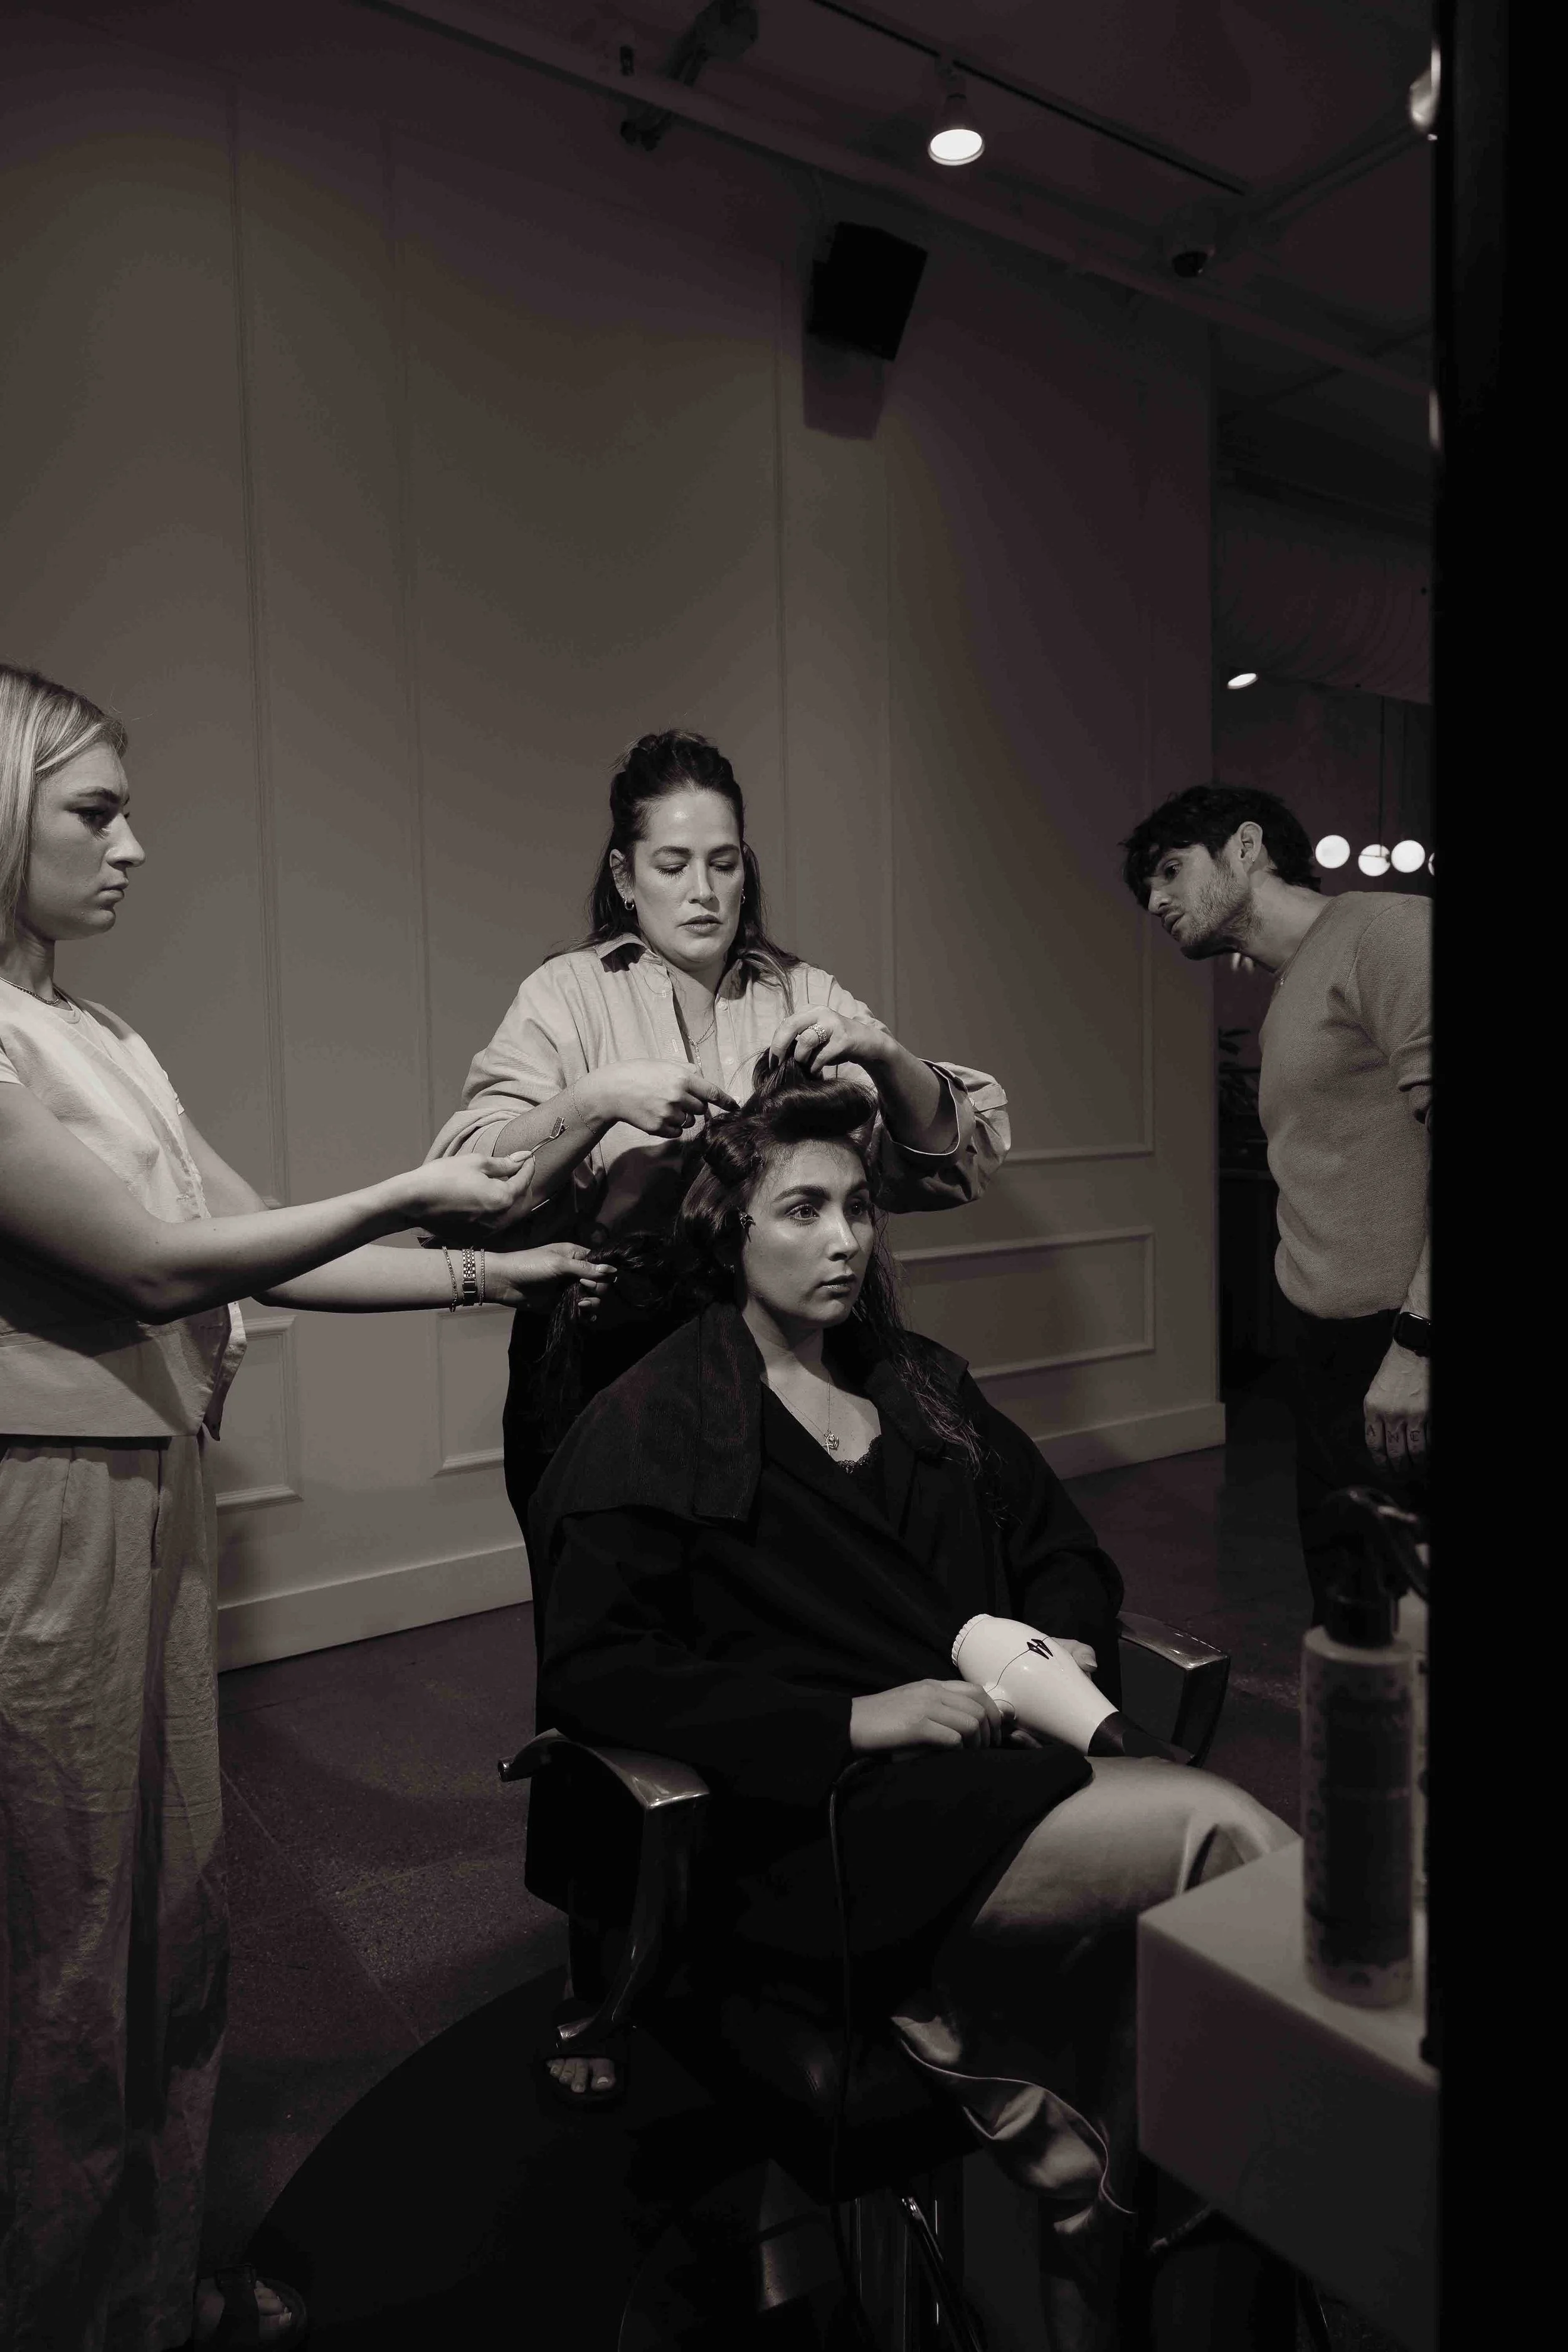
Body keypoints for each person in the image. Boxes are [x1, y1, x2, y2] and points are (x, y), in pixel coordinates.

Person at [0, 664, 610, 2352]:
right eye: (94, 811)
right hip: (40, 1516)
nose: (136, 844)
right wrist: (426, 1181)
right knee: (60, 1942)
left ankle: (152, 2282)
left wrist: (501, 1261)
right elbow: (144, 1259)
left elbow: (266, 1233)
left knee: (169, 1914)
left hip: (152, 1493)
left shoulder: (101, 1034)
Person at [528, 1060, 1298, 2350]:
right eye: (800, 1210)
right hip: (821, 1826)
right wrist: (848, 1722)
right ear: (726, 1229)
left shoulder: (918, 1381)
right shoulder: (655, 1422)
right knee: (1227, 1846)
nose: (842, 1241)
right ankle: (1332, 2163)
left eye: (858, 1209)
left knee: (1161, 2002)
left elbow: (1063, 1548)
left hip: (996, 1780)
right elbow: (599, 1670)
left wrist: (1056, 1638)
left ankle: (1119, 2286)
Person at [426, 728, 1010, 2099]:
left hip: (798, 1352)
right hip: (609, 1358)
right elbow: (474, 1179)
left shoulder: (798, 990)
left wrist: (880, 1049)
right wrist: (589, 1101)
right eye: (671, 862)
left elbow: (953, 1154)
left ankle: (823, 1933)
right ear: (622, 876)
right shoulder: (567, 996)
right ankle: (601, 1960)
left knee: (813, 1637)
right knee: (616, 1660)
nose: (703, 887)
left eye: (726, 861)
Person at [1121, 783, 1431, 1623]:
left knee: (1409, 1619)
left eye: (1171, 870)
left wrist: (1421, 1341)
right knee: (1355, 1613)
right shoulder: (1293, 987)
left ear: (1247, 847)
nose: (1156, 900)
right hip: (1332, 1353)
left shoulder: (1385, 932)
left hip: (1401, 1341)